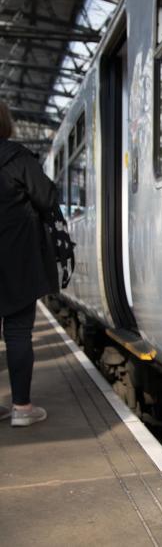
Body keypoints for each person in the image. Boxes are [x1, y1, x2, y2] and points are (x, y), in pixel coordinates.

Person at [0, 101, 59, 427]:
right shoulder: (17, 158)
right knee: (19, 333)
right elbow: (48, 199)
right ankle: (22, 408)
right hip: (17, 261)